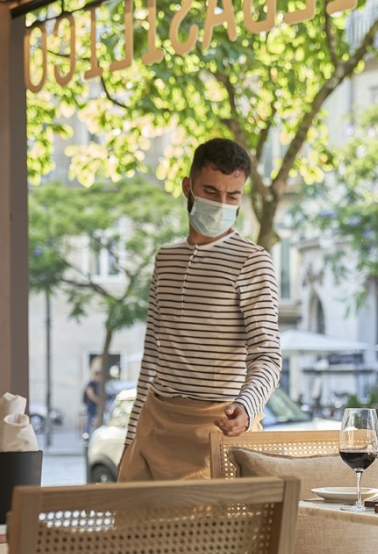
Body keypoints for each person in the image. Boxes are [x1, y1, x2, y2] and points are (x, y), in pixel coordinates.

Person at [119, 138, 281, 481]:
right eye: (211, 191)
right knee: (133, 533)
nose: (222, 203)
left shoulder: (252, 262)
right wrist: (130, 438)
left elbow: (267, 356)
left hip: (217, 432)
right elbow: (152, 355)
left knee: (208, 536)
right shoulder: (166, 259)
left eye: (232, 196)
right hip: (155, 429)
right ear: (188, 188)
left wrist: (248, 409)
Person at [83, 368, 102, 436]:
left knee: (93, 422)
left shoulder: (97, 384)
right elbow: (91, 395)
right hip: (91, 406)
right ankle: (87, 436)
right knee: (89, 421)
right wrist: (99, 402)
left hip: (95, 406)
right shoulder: (90, 384)